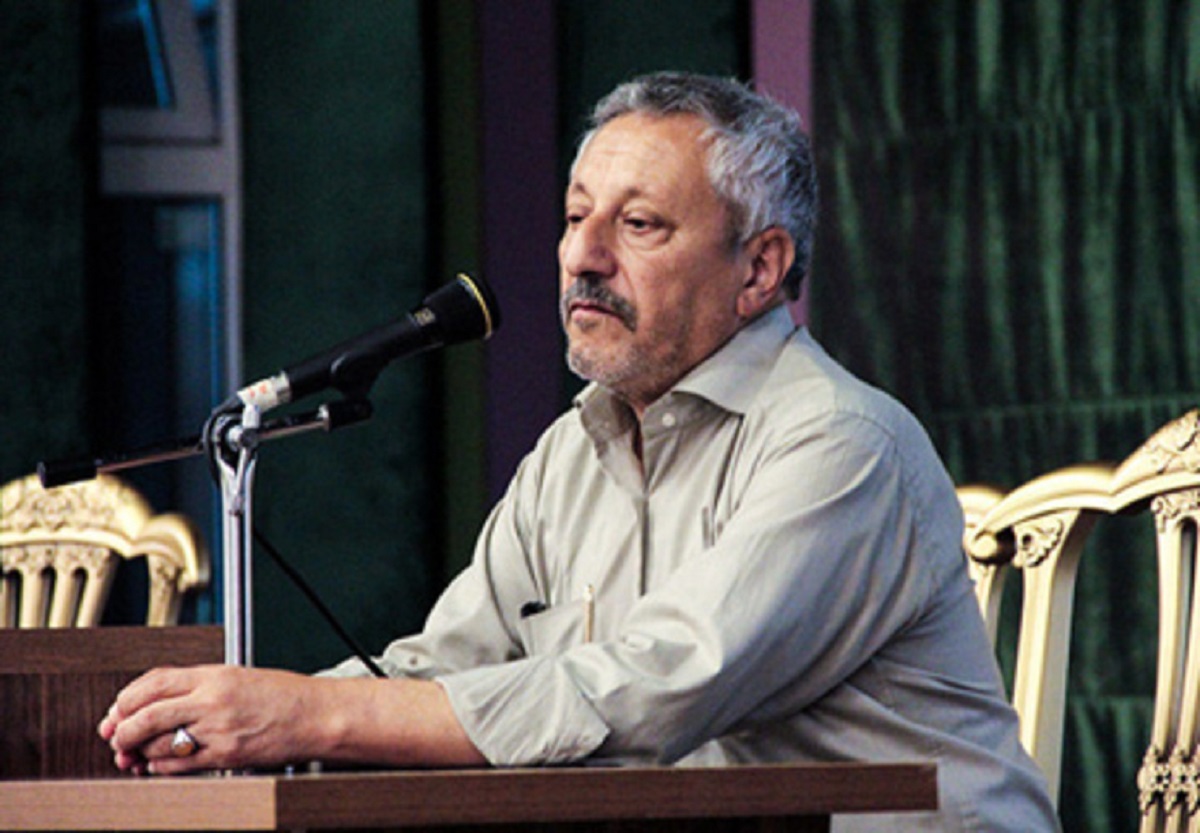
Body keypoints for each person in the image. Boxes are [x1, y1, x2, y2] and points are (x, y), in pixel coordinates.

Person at [100, 71, 1058, 831]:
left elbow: (652, 691)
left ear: (759, 268)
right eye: (574, 215)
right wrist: (237, 727)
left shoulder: (841, 443)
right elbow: (441, 670)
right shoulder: (572, 448)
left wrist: (304, 715)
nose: (581, 256)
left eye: (637, 225)